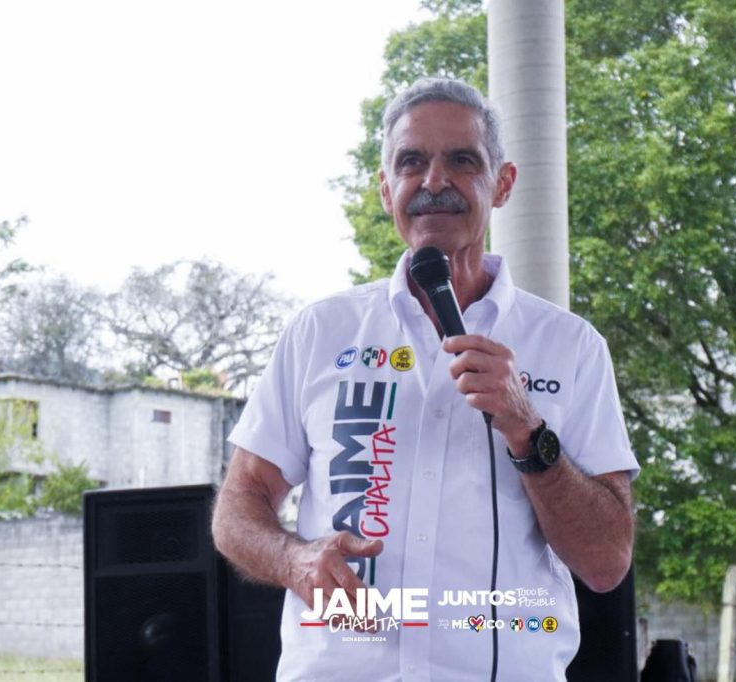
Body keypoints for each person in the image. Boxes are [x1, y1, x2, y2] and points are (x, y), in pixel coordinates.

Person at [211, 77, 638, 681]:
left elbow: (606, 561)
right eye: (412, 162)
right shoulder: (321, 332)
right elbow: (237, 508)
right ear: (387, 188)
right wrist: (294, 561)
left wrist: (527, 429)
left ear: (503, 183)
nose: (434, 181)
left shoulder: (571, 347)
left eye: (462, 160)